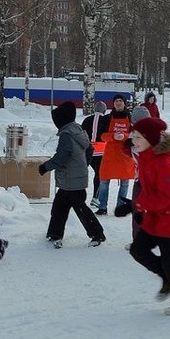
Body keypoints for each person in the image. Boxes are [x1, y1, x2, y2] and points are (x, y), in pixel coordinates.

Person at [126, 117, 170, 315]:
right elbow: (149, 191)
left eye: (139, 137)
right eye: (134, 136)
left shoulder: (166, 164)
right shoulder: (146, 158)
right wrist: (138, 210)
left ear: (151, 139)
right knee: (138, 250)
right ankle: (166, 277)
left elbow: (164, 198)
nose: (134, 141)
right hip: (156, 221)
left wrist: (138, 205)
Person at [40, 102, 107, 248]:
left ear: (60, 121)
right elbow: (90, 148)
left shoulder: (66, 135)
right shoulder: (78, 130)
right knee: (60, 206)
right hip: (73, 178)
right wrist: (84, 164)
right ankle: (54, 234)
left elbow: (61, 157)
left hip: (71, 180)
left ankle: (97, 234)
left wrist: (45, 167)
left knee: (80, 208)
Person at [96, 94, 135, 215]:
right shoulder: (107, 118)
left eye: (120, 101)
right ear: (113, 104)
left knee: (124, 183)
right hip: (110, 155)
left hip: (125, 155)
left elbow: (135, 135)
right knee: (104, 182)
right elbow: (101, 136)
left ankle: (120, 206)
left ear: (124, 103)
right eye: (116, 101)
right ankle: (102, 207)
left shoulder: (131, 117)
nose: (118, 103)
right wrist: (113, 136)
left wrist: (125, 136)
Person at [80, 101, 108, 200]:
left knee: (83, 173)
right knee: (98, 174)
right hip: (101, 151)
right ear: (104, 110)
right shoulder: (105, 120)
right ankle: (96, 197)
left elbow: (81, 134)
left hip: (88, 151)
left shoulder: (87, 120)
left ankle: (79, 195)